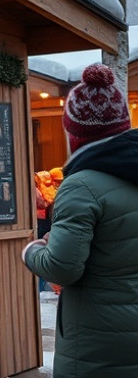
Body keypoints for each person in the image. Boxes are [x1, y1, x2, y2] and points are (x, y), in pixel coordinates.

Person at [22, 63, 138, 377]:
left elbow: (62, 267)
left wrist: (34, 250)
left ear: (76, 133)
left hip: (98, 340)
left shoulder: (80, 185)